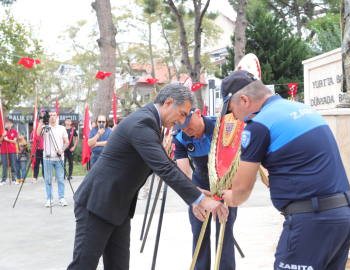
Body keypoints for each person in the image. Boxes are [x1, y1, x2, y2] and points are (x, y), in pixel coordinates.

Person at [67, 83, 229, 270]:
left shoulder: (151, 123)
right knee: (83, 266)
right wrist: (200, 199)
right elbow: (163, 167)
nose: (182, 121)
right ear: (168, 103)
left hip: (118, 207)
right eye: (183, 113)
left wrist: (194, 194)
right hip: (97, 203)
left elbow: (164, 164)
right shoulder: (143, 123)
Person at [220, 70, 350, 270]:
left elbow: (241, 189)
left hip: (312, 221)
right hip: (344, 214)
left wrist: (229, 198)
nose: (234, 118)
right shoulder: (303, 109)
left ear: (244, 100)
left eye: (231, 110)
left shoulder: (258, 125)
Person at [172, 108, 238, 270]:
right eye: (180, 126)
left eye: (187, 123)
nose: (185, 129)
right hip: (200, 182)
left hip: (225, 182)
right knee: (198, 230)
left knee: (225, 231)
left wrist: (234, 189)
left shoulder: (223, 128)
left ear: (198, 113)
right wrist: (194, 197)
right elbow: (184, 174)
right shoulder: (180, 138)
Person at [37, 110, 69, 207]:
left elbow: (66, 142)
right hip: (47, 158)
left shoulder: (62, 128)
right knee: (48, 180)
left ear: (57, 116)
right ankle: (49, 199)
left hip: (59, 158)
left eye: (54, 115)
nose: (52, 117)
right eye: (50, 115)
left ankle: (61, 198)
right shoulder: (45, 127)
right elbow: (38, 134)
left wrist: (62, 149)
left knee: (60, 179)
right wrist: (41, 119)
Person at [0, 119, 18, 186]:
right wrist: (2, 135)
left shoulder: (14, 131)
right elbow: (0, 140)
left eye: (10, 123)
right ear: (6, 123)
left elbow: (14, 141)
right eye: (7, 123)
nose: (8, 124)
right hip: (4, 150)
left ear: (12, 124)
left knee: (13, 165)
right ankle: (3, 179)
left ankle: (13, 179)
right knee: (4, 165)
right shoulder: (3, 131)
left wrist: (8, 140)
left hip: (12, 150)